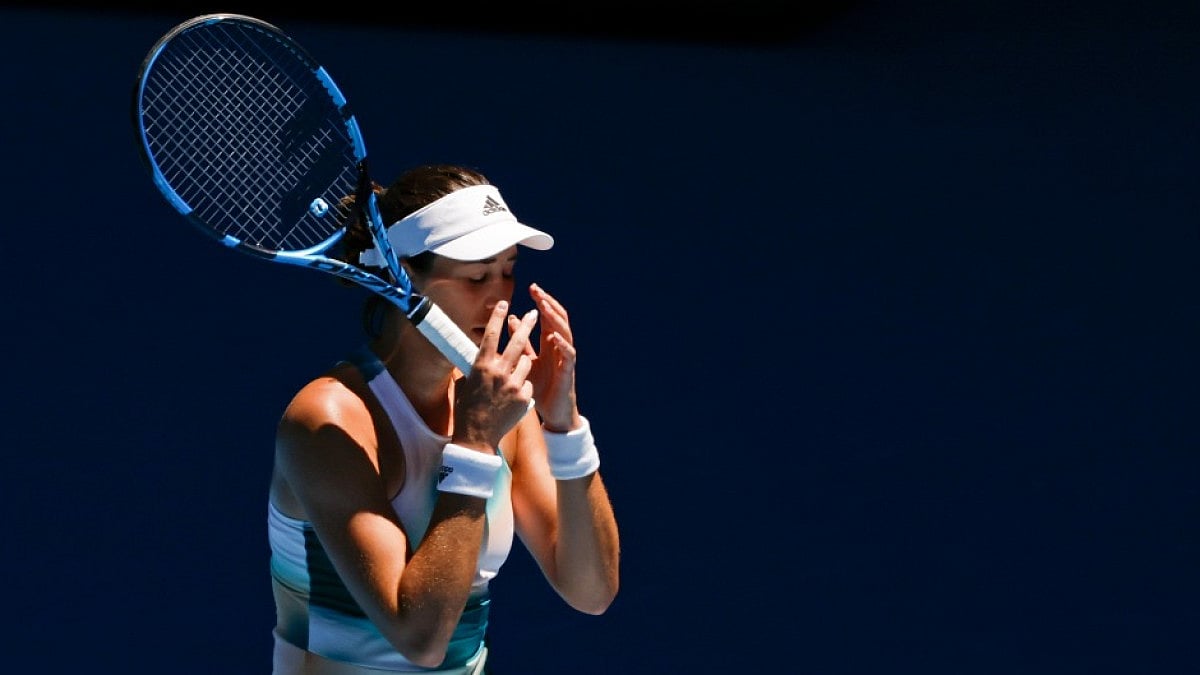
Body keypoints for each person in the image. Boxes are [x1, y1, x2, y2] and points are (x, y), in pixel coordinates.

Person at [267, 164, 621, 674]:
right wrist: (474, 443)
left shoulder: (499, 408)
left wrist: (564, 426)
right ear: (404, 276)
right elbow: (420, 640)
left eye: (507, 270)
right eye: (477, 276)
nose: (500, 296)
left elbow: (591, 591)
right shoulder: (328, 421)